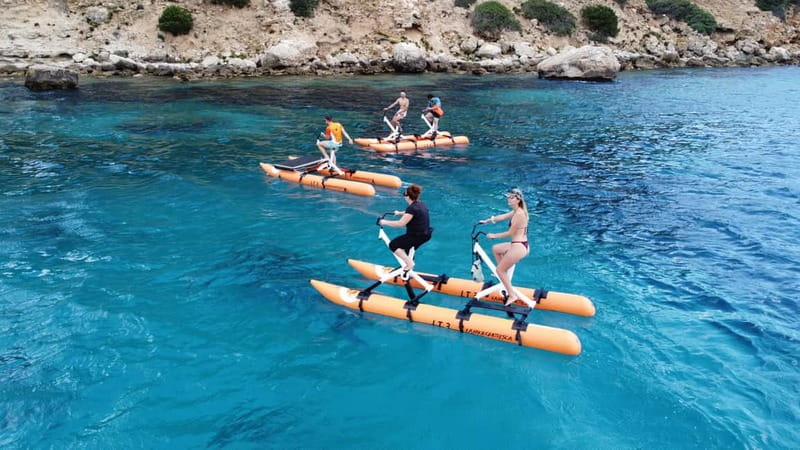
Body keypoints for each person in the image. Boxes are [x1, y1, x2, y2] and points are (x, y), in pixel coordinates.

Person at [479, 188, 529, 305]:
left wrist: (494, 235)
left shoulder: (519, 214)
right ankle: (504, 275)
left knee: (499, 270)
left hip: (519, 247)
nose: (508, 199)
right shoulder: (517, 211)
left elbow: (510, 233)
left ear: (518, 199)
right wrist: (487, 221)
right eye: (508, 197)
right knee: (496, 249)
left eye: (511, 197)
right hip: (518, 244)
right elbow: (502, 217)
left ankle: (512, 295)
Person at [379, 184, 433, 272]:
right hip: (426, 234)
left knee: (393, 245)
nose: (404, 197)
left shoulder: (412, 208)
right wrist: (399, 213)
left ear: (408, 197)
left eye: (404, 195)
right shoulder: (420, 204)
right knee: (408, 248)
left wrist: (384, 222)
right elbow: (410, 212)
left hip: (417, 236)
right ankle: (410, 268)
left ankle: (410, 264)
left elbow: (400, 224)